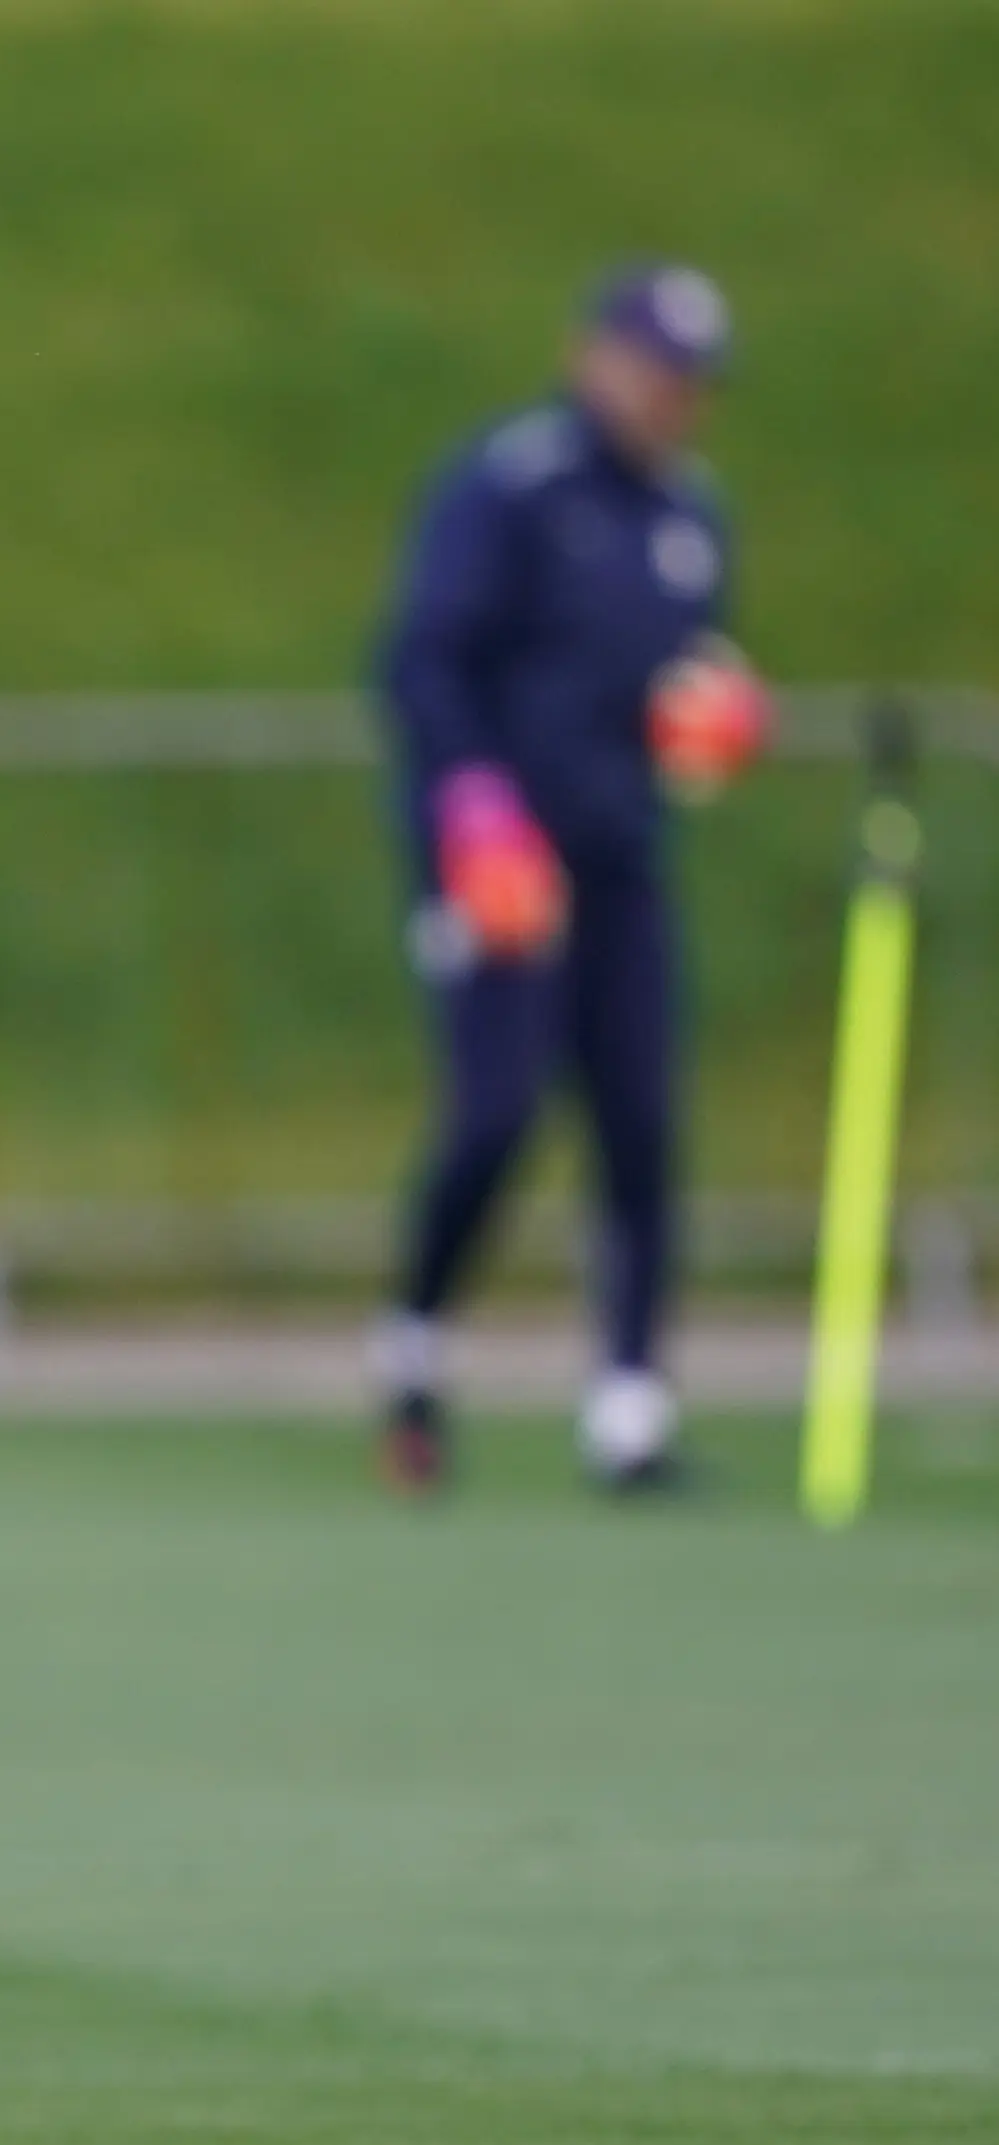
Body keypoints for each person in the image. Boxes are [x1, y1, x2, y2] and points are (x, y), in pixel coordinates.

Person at [373, 263, 766, 1493]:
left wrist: (721, 716)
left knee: (640, 1121)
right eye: (655, 370)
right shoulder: (514, 484)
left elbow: (684, 678)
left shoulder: (689, 516)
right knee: (495, 1113)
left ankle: (630, 1410)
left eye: (692, 382)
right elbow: (425, 657)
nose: (672, 400)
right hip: (501, 860)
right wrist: (470, 806)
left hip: (620, 861)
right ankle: (416, 1356)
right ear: (595, 354)